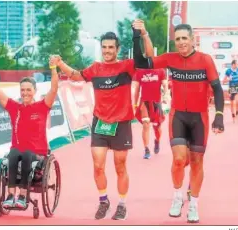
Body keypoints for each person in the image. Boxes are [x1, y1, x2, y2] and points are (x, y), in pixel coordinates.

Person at [49, 19, 153, 220]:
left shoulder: (127, 66)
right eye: (104, 47)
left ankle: (122, 204)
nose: (107, 51)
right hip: (100, 123)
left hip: (121, 123)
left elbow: (149, 56)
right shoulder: (95, 68)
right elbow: (76, 76)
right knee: (98, 165)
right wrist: (60, 63)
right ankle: (103, 201)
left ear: (117, 49)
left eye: (111, 48)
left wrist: (144, 33)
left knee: (120, 165)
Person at [132, 23, 225, 223]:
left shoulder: (205, 60)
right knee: (179, 160)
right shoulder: (169, 59)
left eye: (185, 38)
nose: (181, 42)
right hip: (179, 117)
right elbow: (141, 62)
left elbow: (217, 89)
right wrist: (137, 35)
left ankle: (194, 204)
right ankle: (177, 197)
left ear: (192, 40)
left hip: (199, 118)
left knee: (197, 162)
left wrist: (219, 115)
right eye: (178, 39)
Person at [0, 54, 59, 209]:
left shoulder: (42, 107)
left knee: (25, 154)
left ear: (35, 91)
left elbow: (54, 88)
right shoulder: (14, 108)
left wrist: (53, 69)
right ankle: (11, 195)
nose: (25, 93)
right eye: (22, 90)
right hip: (17, 152)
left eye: (28, 90)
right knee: (13, 153)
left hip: (38, 153)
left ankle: (23, 196)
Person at [132, 68, 170, 159]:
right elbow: (136, 89)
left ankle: (157, 140)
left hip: (156, 103)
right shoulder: (139, 71)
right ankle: (146, 149)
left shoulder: (160, 71)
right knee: (146, 124)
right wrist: (135, 104)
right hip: (144, 102)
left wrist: (165, 96)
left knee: (157, 127)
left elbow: (165, 85)